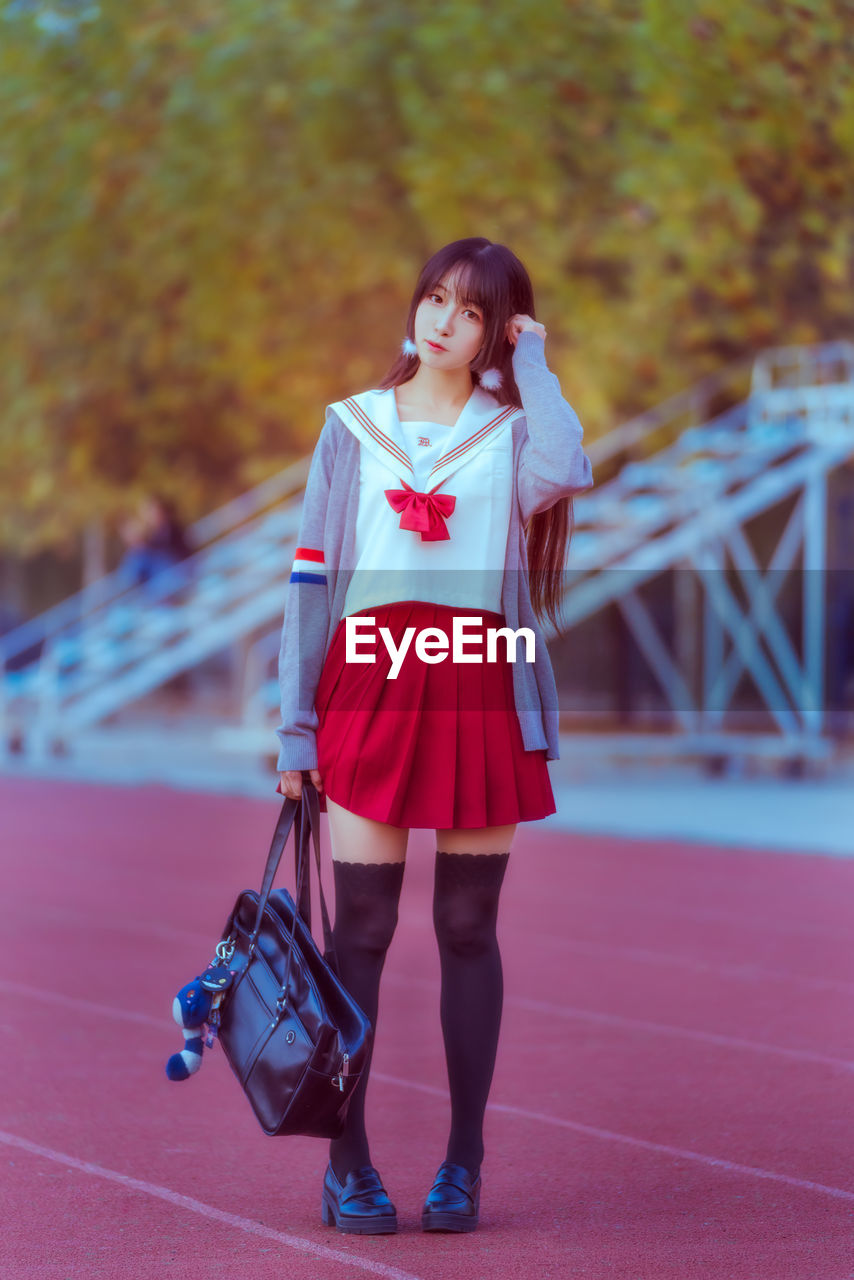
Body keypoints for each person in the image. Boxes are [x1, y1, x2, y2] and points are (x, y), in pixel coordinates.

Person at [274, 237, 594, 1235]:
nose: (441, 319)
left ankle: (463, 1160)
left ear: (493, 330)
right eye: (433, 298)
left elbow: (566, 461)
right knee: (359, 932)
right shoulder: (351, 428)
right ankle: (348, 1160)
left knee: (466, 927)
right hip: (367, 680)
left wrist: (530, 361)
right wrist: (295, 728)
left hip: (478, 685)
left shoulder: (507, 432)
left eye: (468, 310)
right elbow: (310, 582)